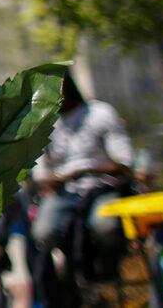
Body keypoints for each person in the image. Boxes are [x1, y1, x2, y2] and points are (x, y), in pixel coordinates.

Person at [30, 69, 134, 294]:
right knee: (44, 231)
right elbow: (41, 175)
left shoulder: (101, 113)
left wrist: (87, 170)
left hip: (102, 188)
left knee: (105, 226)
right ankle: (72, 274)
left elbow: (125, 164)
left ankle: (108, 270)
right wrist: (55, 181)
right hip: (66, 194)